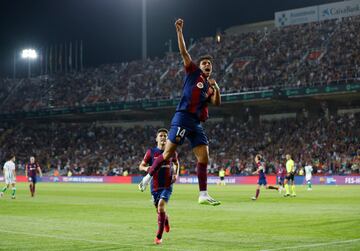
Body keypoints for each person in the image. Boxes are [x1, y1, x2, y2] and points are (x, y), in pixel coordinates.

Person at [139, 18, 221, 206]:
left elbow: (216, 103)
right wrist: (179, 31)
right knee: (167, 154)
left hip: (196, 123)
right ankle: (147, 178)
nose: (208, 65)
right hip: (183, 117)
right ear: (200, 66)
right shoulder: (193, 72)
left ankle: (203, 194)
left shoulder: (209, 87)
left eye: (210, 64)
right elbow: (184, 52)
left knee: (204, 157)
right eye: (205, 63)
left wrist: (216, 88)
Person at [139, 128, 180, 245]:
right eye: (161, 135)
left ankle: (159, 236)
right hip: (155, 186)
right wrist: (147, 168)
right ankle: (165, 220)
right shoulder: (151, 152)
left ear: (168, 138)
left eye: (165, 136)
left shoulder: (172, 152)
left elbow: (177, 163)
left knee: (161, 207)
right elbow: (141, 166)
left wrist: (176, 174)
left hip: (167, 185)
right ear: (157, 138)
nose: (163, 137)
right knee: (159, 210)